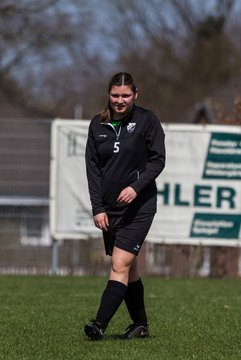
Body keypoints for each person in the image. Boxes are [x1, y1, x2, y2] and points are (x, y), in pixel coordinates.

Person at [84, 72, 165, 340]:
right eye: (115, 95)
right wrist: (98, 207)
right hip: (109, 208)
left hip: (139, 207)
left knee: (119, 263)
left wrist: (135, 187)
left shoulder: (147, 121)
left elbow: (157, 161)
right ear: (108, 94)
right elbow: (93, 170)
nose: (120, 100)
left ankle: (99, 325)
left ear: (135, 95)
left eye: (125, 95)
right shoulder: (97, 125)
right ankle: (140, 324)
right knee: (129, 269)